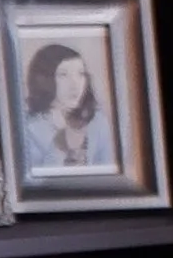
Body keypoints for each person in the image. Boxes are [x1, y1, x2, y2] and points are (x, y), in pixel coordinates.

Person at [21, 37, 118, 178]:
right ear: (44, 80)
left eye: (81, 74)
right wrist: (58, 147)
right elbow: (33, 185)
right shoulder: (29, 129)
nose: (75, 84)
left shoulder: (98, 122)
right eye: (63, 75)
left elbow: (110, 177)